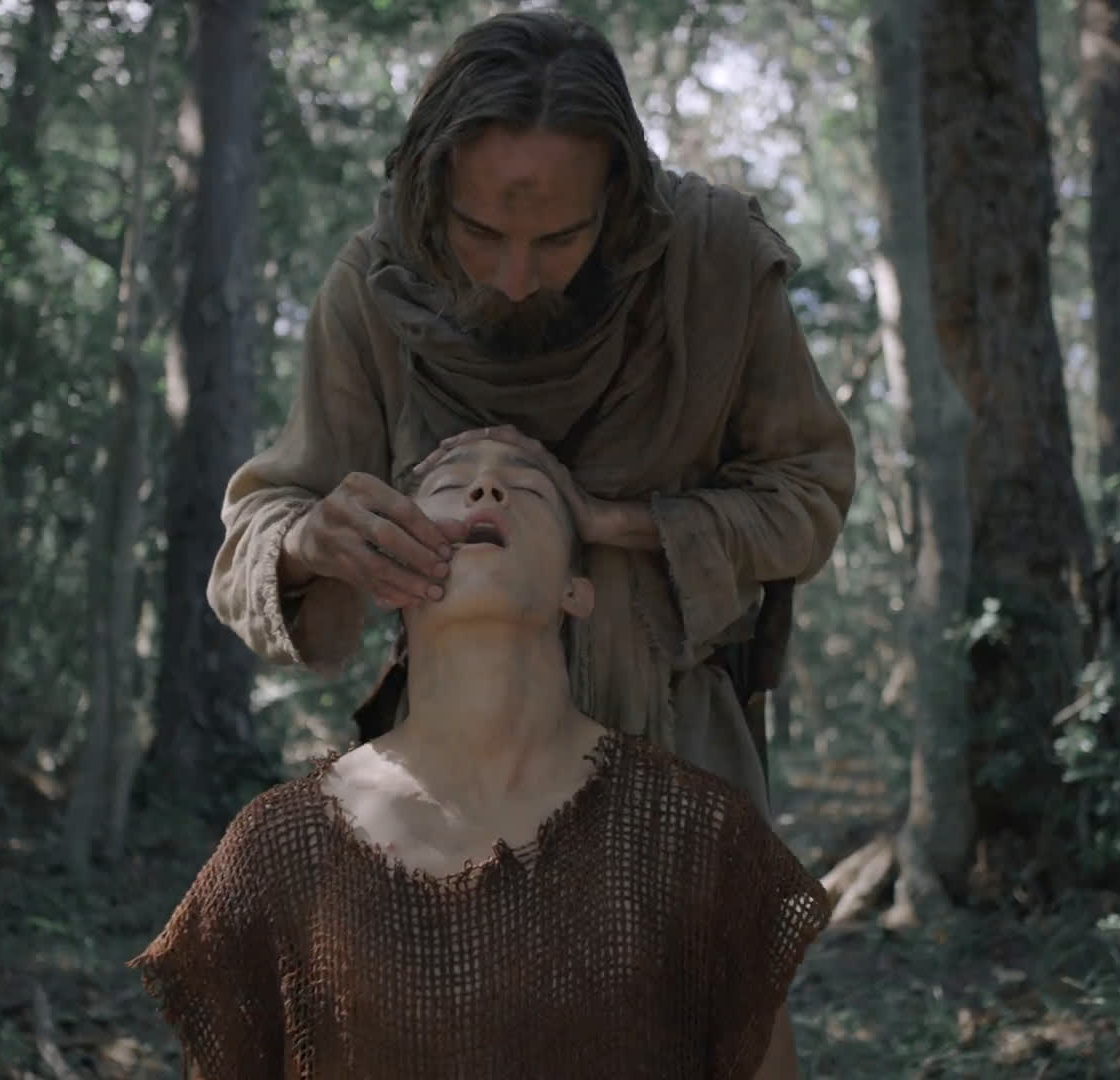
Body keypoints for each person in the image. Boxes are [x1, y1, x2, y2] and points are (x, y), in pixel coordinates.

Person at [206, 10, 857, 818]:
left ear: (616, 197)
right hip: (446, 797)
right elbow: (250, 543)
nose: (516, 279)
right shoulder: (375, 291)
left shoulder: (712, 267)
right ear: (432, 188)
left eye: (559, 238)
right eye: (480, 232)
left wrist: (615, 522)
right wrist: (309, 542)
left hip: (682, 765)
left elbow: (809, 494)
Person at [133, 437, 831, 1078]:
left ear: (575, 590)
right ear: (385, 575)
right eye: (451, 484)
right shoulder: (276, 849)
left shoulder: (695, 835)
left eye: (526, 489)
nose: (488, 492)